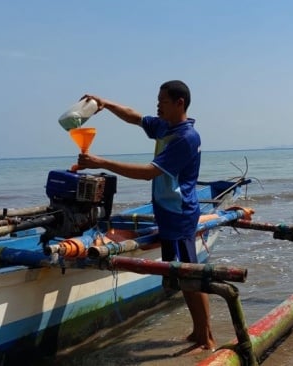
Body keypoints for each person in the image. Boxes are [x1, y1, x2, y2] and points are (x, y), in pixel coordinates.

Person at [75, 80, 215, 351]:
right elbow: (135, 117)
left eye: (162, 101)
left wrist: (100, 162)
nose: (157, 105)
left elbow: (148, 172)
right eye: (157, 100)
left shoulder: (185, 138)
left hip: (179, 212)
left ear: (179, 103)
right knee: (184, 275)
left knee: (190, 275)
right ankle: (199, 332)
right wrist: (106, 103)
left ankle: (206, 337)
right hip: (167, 209)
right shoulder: (166, 126)